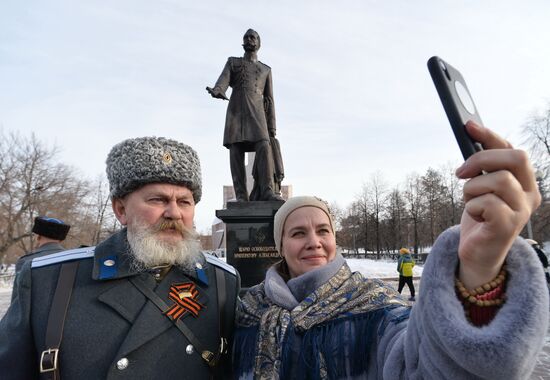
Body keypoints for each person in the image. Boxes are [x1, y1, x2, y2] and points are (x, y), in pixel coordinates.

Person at [232, 123, 549, 379]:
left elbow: (428, 368)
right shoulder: (247, 311)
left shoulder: (376, 308)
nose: (314, 241)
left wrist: (479, 269)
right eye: (298, 233)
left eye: (323, 230)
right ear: (280, 247)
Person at [0, 137, 240, 379]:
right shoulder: (50, 280)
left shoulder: (221, 282)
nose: (174, 213)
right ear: (121, 210)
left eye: (185, 202)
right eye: (158, 200)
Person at [207, 28, 283, 202]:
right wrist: (218, 90)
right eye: (246, 37)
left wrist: (271, 127)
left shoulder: (265, 69)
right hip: (237, 112)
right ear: (243, 42)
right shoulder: (233, 63)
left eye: (253, 37)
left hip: (258, 113)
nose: (249, 40)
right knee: (236, 150)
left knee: (264, 146)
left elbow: (270, 99)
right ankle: (241, 195)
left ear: (258, 43)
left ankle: (267, 191)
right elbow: (223, 80)